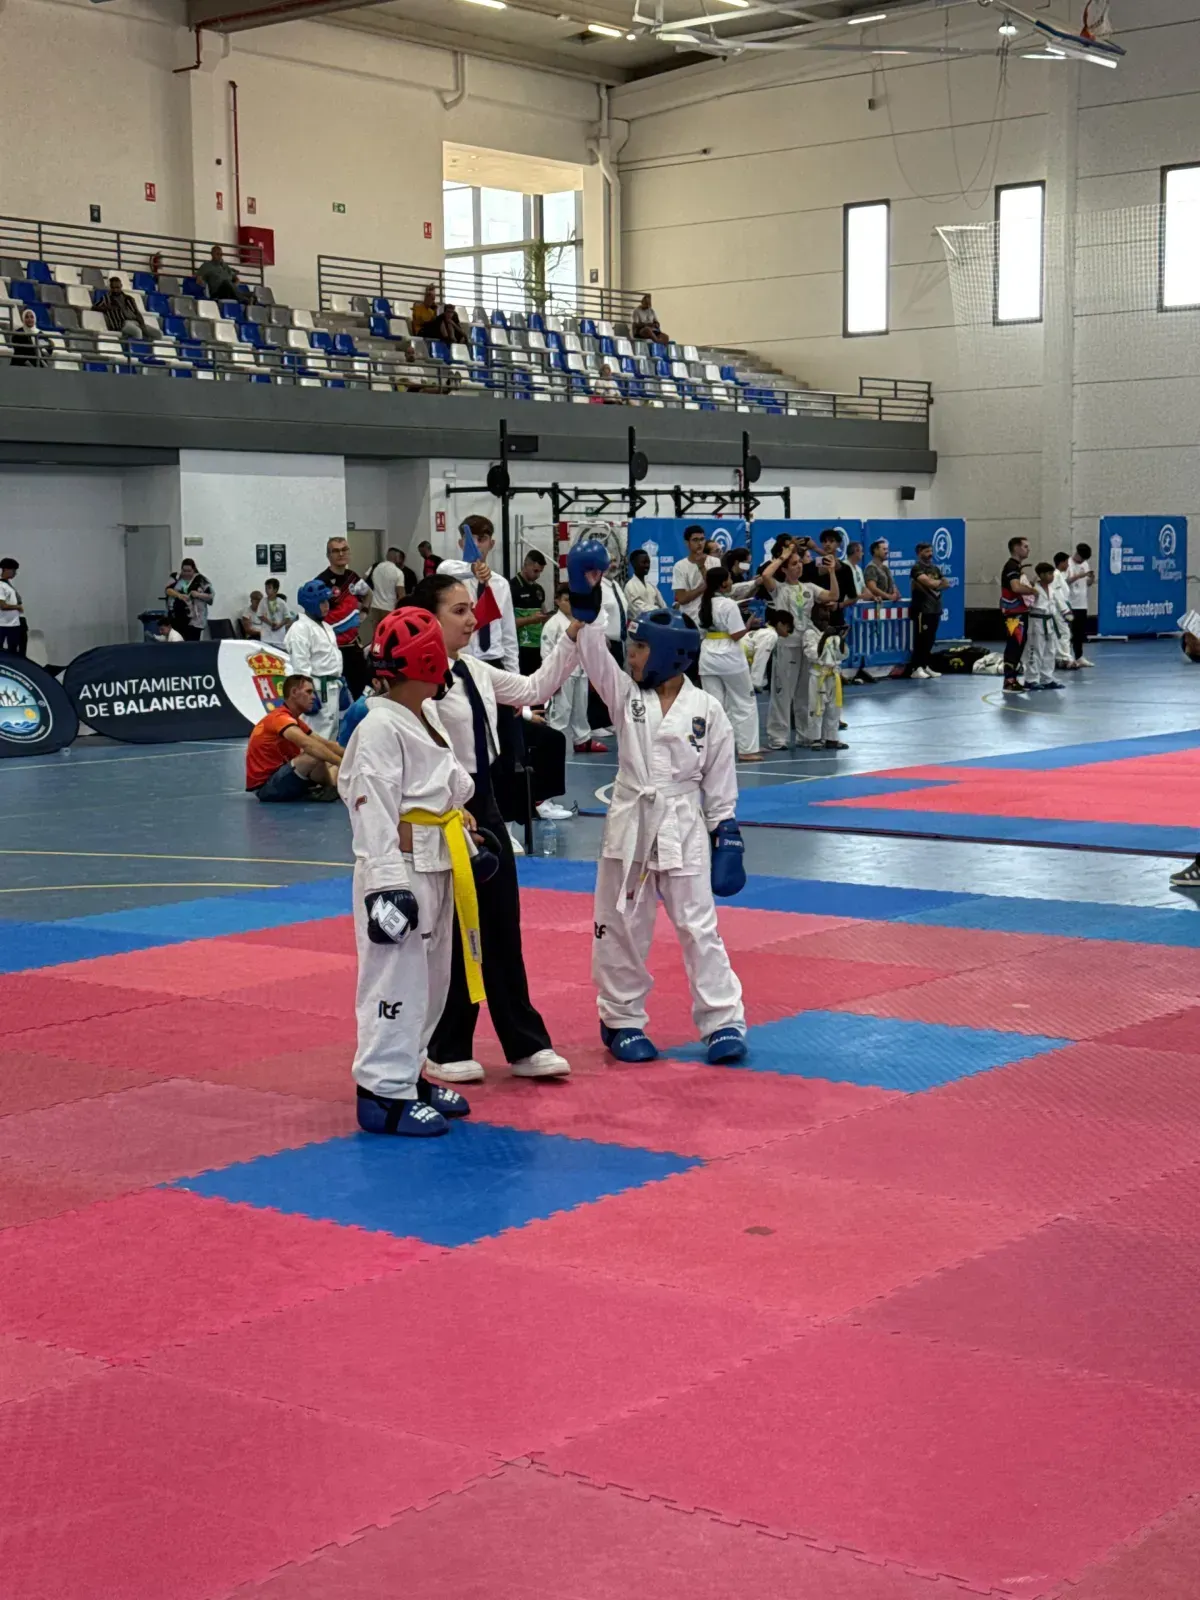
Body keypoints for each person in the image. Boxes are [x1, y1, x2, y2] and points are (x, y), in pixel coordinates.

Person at [564, 540, 748, 1067]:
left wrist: (727, 831)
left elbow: (719, 778)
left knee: (699, 926)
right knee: (623, 925)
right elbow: (594, 653)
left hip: (685, 824)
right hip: (631, 825)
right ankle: (621, 1018)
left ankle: (723, 1019)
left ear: (670, 654)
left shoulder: (706, 709)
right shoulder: (627, 698)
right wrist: (586, 598)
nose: (633, 655)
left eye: (642, 649)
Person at [407, 574, 581, 1084]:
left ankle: (525, 1044)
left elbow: (534, 688)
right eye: (459, 610)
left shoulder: (475, 671)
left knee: (503, 925)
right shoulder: (416, 685)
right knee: (455, 931)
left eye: (471, 609)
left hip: (486, 803)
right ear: (428, 619)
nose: (471, 619)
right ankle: (446, 1043)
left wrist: (572, 636)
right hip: (443, 809)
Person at [338, 608, 478, 1137]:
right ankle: (381, 1093)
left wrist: (462, 827)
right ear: (428, 658)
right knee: (394, 980)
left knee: (432, 982)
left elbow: (436, 792)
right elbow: (369, 808)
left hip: (438, 861)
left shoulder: (424, 713)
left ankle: (410, 1073)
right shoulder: (378, 726)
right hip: (402, 870)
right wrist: (386, 887)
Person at [759, 541, 830, 749]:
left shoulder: (808, 588)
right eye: (793, 563)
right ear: (784, 569)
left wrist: (832, 572)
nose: (798, 566)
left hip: (806, 646)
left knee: (804, 693)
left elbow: (832, 596)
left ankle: (805, 734)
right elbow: (765, 576)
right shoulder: (778, 589)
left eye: (800, 562)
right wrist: (784, 555)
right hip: (786, 646)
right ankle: (777, 736)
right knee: (782, 693)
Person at [245, 673, 343, 803]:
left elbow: (325, 743)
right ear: (294, 692)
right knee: (315, 753)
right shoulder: (280, 718)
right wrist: (341, 763)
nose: (313, 697)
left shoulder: (292, 718)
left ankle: (330, 786)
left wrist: (352, 758)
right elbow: (309, 745)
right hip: (267, 788)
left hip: (281, 776)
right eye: (308, 692)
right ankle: (330, 788)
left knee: (329, 755)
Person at [437, 516, 518, 672]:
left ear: (491, 544)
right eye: (469, 540)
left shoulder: (501, 584)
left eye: (482, 539)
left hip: (494, 661)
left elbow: (509, 634)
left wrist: (514, 674)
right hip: (460, 660)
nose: (475, 544)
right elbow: (442, 568)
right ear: (461, 544)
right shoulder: (451, 579)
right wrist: (472, 570)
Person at [698, 567, 761, 761]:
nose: (731, 582)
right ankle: (747, 749)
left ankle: (713, 751)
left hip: (708, 654)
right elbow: (736, 634)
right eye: (729, 579)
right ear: (724, 583)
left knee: (714, 705)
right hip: (729, 657)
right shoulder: (728, 605)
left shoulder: (705, 602)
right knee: (744, 702)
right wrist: (749, 623)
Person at [284, 580, 344, 741]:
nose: (327, 606)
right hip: (316, 688)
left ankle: (326, 766)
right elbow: (300, 665)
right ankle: (309, 766)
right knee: (315, 737)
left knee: (331, 734)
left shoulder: (326, 626)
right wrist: (306, 693)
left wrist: (340, 680)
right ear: (311, 604)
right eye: (322, 602)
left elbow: (332, 656)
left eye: (327, 601)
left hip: (332, 685)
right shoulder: (300, 629)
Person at [317, 536, 372, 697]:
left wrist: (364, 613)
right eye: (336, 551)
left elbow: (368, 593)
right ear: (329, 555)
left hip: (353, 645)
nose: (341, 554)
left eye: (344, 550)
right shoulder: (322, 582)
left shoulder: (352, 577)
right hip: (333, 648)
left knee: (359, 690)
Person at [541, 585, 590, 752]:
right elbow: (546, 653)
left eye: (572, 600)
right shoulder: (552, 624)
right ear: (557, 601)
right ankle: (555, 743)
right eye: (566, 600)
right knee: (561, 710)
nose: (570, 604)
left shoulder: (580, 622)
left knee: (581, 709)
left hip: (581, 671)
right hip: (562, 674)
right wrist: (551, 679)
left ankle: (583, 739)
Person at [804, 600, 849, 750]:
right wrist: (824, 638)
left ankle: (832, 738)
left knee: (834, 709)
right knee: (817, 708)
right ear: (814, 617)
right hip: (818, 675)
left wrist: (841, 639)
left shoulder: (831, 633)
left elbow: (841, 655)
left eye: (827, 616)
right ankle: (815, 738)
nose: (826, 619)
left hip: (833, 675)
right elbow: (813, 655)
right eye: (822, 616)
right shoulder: (809, 634)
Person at [903, 540, 949, 680]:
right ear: (919, 553)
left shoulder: (934, 569)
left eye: (931, 551)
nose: (930, 554)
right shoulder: (917, 568)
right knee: (921, 639)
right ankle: (916, 667)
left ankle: (925, 665)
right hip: (922, 609)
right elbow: (929, 583)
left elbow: (945, 583)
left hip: (935, 609)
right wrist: (936, 584)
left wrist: (936, 584)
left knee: (930, 639)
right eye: (927, 551)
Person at [1001, 536, 1036, 693]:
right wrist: (1032, 591)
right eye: (1025, 546)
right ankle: (1009, 681)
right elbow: (1015, 588)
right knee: (1014, 645)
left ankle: (1012, 678)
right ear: (1016, 548)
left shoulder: (1017, 567)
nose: (1028, 549)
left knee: (1019, 644)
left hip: (1020, 612)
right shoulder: (1011, 567)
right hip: (1013, 614)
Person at [511, 549, 552, 676]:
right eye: (535, 571)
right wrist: (530, 619)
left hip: (538, 646)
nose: (538, 575)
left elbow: (543, 612)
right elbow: (506, 624)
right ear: (526, 565)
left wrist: (549, 618)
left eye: (540, 572)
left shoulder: (538, 589)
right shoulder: (511, 587)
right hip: (520, 648)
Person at [1025, 563, 1065, 692]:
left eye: (1052, 574)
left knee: (1050, 651)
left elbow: (1056, 604)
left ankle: (1046, 678)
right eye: (1049, 574)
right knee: (1035, 651)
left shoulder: (1052, 589)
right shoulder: (1033, 589)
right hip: (1036, 621)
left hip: (1049, 622)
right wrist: (1030, 587)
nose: (1052, 576)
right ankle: (1031, 679)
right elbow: (1027, 603)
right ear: (1041, 575)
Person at [672, 524, 722, 624]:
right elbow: (681, 598)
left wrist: (702, 567)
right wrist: (703, 587)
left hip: (712, 615)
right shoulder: (680, 566)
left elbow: (718, 589)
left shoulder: (715, 562)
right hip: (690, 618)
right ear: (687, 543)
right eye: (695, 540)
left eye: (702, 539)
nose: (699, 543)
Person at [165, 559, 213, 641]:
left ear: (194, 570)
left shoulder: (201, 580)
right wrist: (179, 595)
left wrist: (198, 594)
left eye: (189, 571)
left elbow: (210, 597)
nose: (186, 573)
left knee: (192, 641)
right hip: (176, 618)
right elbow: (168, 590)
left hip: (195, 620)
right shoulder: (175, 577)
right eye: (184, 571)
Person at [1066, 541, 1096, 667]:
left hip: (1082, 603)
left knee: (1080, 633)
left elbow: (1087, 583)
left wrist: (1091, 579)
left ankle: (1079, 656)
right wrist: (1079, 575)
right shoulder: (1067, 564)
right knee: (1068, 633)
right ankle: (1066, 657)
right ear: (1077, 554)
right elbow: (1065, 581)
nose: (1082, 561)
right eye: (1081, 558)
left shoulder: (1085, 564)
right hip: (1070, 603)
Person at [365, 548, 403, 640]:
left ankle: (375, 652)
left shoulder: (375, 567)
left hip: (375, 606)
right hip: (390, 608)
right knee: (388, 635)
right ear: (396, 558)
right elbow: (401, 595)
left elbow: (364, 581)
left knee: (376, 634)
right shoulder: (398, 572)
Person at [1051, 553, 1077, 671]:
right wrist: (1065, 610)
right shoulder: (1055, 575)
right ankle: (1065, 658)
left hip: (1062, 607)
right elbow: (1056, 594)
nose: (1068, 565)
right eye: (1066, 562)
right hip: (1058, 609)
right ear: (1061, 563)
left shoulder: (1060, 575)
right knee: (1064, 633)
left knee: (1064, 633)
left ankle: (1061, 658)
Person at [625, 547, 666, 623]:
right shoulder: (630, 586)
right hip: (638, 628)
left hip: (654, 625)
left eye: (648, 562)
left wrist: (666, 611)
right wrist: (659, 610)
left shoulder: (651, 586)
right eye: (644, 562)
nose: (647, 565)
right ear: (634, 564)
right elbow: (639, 610)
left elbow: (663, 605)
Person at [256, 578, 295, 647]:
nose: (266, 590)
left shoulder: (281, 602)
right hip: (266, 636)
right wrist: (270, 623)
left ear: (275, 589)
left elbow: (287, 618)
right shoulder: (263, 601)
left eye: (269, 588)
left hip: (279, 637)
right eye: (266, 588)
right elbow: (259, 615)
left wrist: (279, 626)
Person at [864, 538, 901, 603]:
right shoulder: (871, 568)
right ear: (875, 550)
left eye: (887, 549)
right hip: (876, 606)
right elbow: (872, 588)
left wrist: (895, 593)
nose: (887, 552)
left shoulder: (885, 568)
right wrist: (888, 596)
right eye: (884, 549)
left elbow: (893, 585)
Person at [0, 558, 24, 656]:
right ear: (6, 569)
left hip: (13, 624)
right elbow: (2, 605)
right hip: (4, 625)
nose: (15, 573)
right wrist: (17, 607)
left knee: (14, 651)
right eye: (13, 570)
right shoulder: (1, 585)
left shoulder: (8, 584)